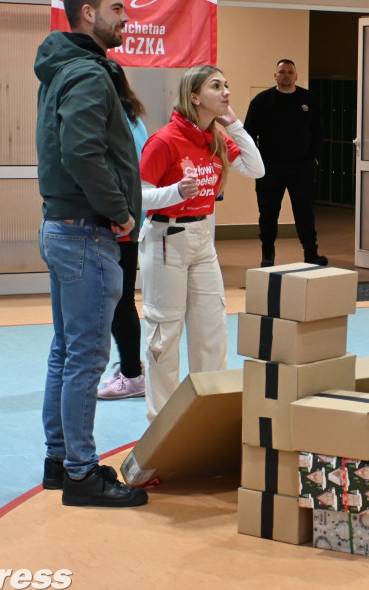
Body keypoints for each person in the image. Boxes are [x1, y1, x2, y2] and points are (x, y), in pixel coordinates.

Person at [34, 0, 147, 507]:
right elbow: (81, 152)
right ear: (89, 14)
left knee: (66, 353)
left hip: (65, 229)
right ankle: (80, 472)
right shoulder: (89, 74)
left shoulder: (64, 69)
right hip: (85, 233)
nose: (126, 18)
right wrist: (120, 212)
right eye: (118, 9)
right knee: (84, 358)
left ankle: (60, 460)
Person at [139, 65, 265, 421]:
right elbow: (137, 195)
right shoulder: (165, 140)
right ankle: (160, 427)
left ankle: (207, 419)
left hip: (202, 240)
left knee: (212, 333)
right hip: (166, 239)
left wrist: (235, 126)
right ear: (194, 96)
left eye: (227, 85)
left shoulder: (215, 138)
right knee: (164, 337)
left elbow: (257, 169)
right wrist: (174, 192)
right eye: (216, 86)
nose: (225, 92)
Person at [243, 58, 327, 267]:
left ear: (296, 76)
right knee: (268, 212)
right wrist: (256, 160)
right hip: (270, 167)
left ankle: (311, 253)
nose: (286, 75)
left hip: (302, 167)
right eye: (282, 72)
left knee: (304, 211)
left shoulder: (308, 100)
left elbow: (319, 132)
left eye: (290, 72)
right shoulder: (262, 101)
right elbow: (248, 134)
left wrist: (315, 158)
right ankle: (268, 255)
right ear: (275, 75)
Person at [97, 65, 149, 400]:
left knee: (120, 302)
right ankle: (132, 367)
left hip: (121, 221)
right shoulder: (134, 118)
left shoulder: (118, 123)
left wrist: (118, 214)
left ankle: (131, 373)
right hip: (129, 217)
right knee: (122, 299)